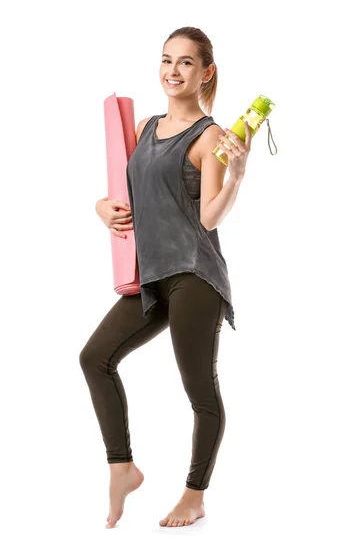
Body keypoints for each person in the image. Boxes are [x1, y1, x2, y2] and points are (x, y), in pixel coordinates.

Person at [79, 26, 252, 529]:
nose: (173, 71)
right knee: (95, 358)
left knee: (199, 388)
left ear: (206, 73)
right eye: (166, 60)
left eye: (186, 63)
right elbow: (123, 190)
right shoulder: (146, 128)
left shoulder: (212, 137)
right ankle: (122, 466)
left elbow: (210, 219)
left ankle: (194, 495)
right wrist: (99, 207)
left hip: (195, 275)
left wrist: (237, 176)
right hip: (151, 274)